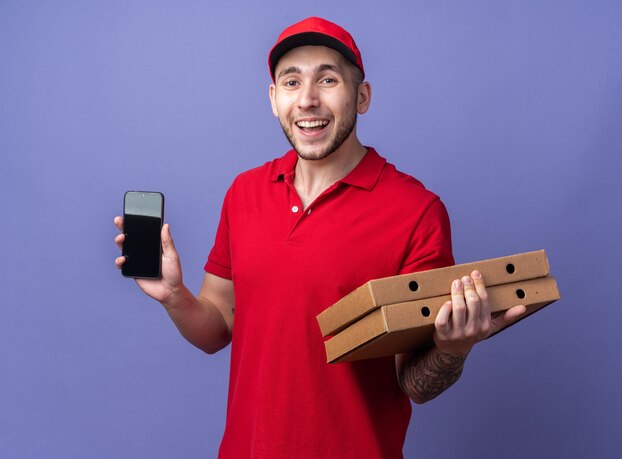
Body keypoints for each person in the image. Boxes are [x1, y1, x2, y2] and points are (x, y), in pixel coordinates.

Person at [114, 17, 526, 459]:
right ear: (274, 99)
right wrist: (174, 296)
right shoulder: (244, 193)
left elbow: (415, 384)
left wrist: (453, 347)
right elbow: (217, 330)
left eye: (327, 79)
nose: (308, 100)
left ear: (361, 97)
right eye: (291, 82)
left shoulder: (416, 212)